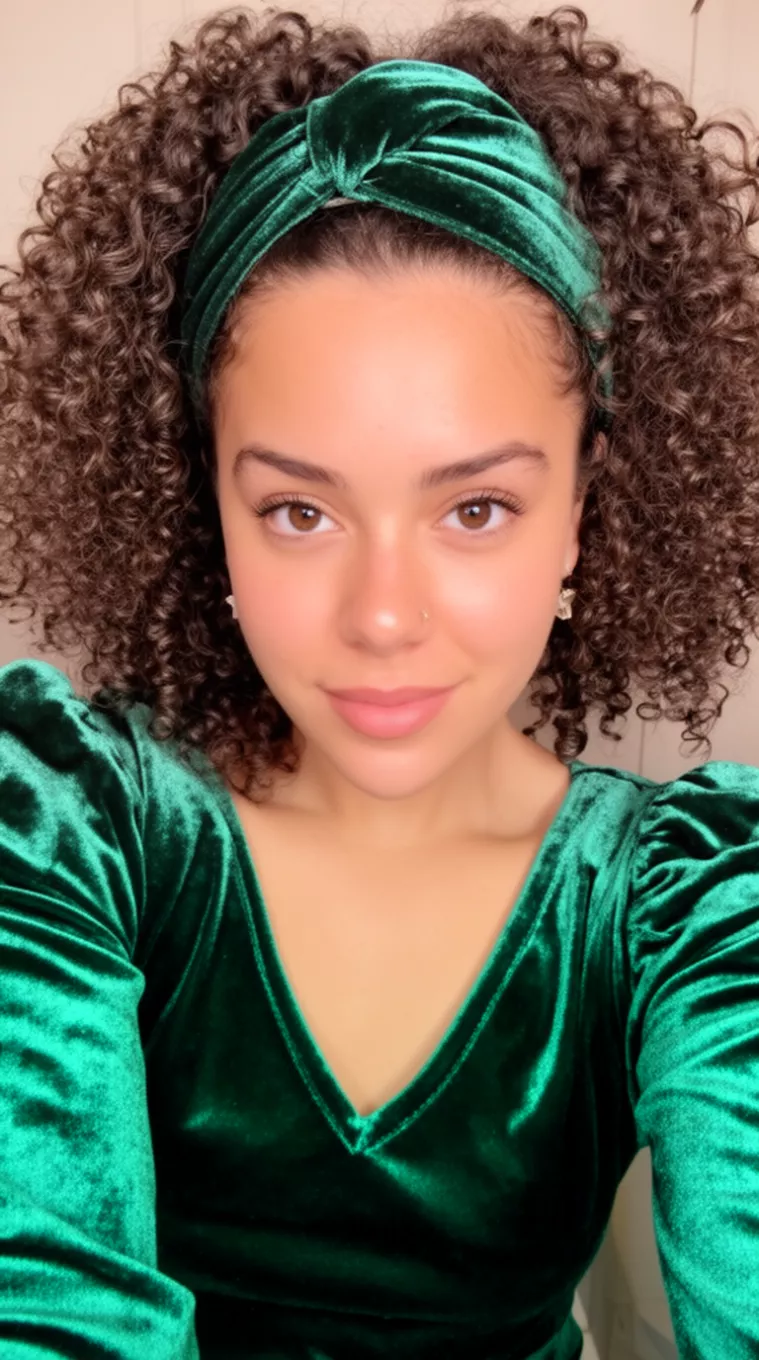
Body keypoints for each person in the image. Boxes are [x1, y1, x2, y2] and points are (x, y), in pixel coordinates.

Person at [1, 3, 758, 1357]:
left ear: (587, 501)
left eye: (473, 510)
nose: (384, 617)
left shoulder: (689, 903)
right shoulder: (63, 827)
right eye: (300, 512)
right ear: (204, 506)